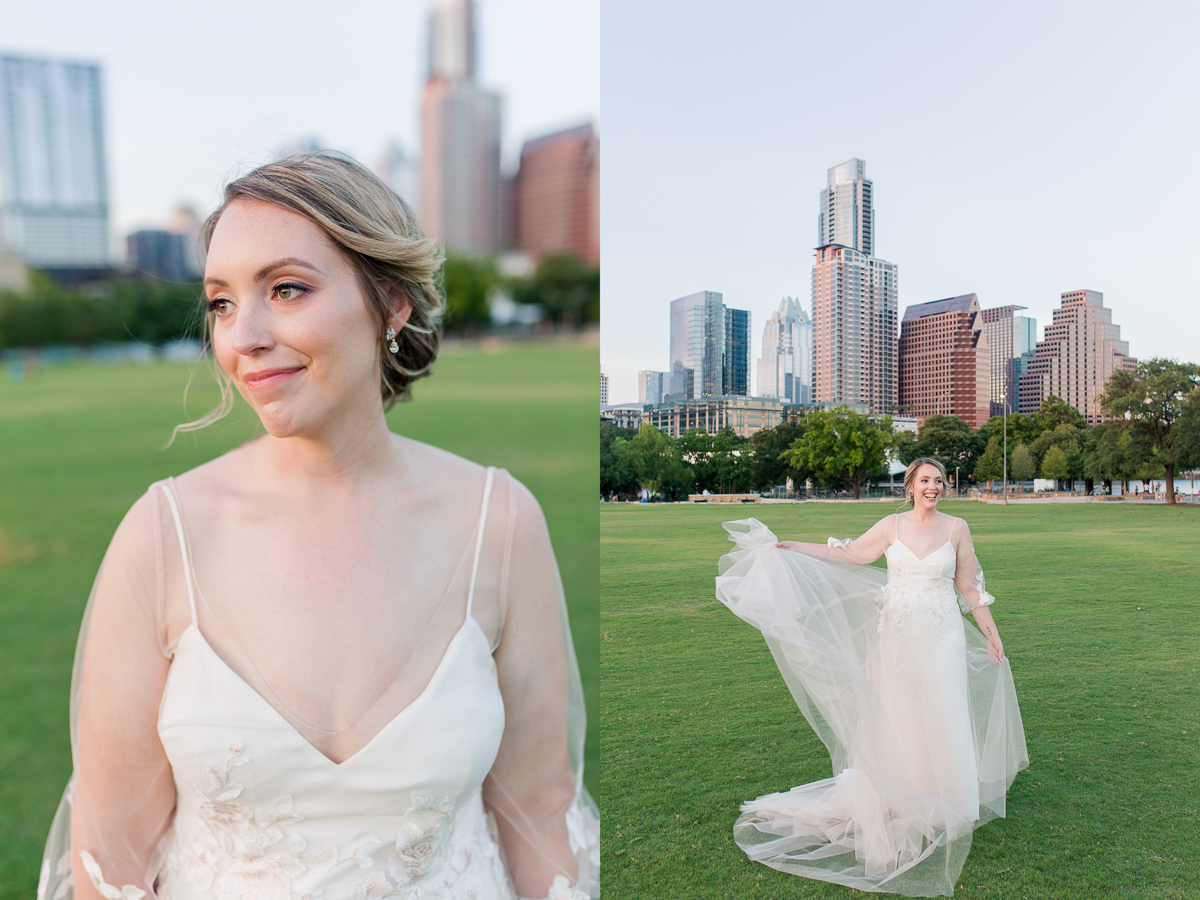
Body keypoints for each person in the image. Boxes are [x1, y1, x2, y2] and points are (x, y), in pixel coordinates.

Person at [38, 153, 598, 900]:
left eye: (287, 289)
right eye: (222, 304)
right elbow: (109, 866)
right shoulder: (163, 535)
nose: (244, 338)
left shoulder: (498, 522)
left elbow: (541, 816)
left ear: (391, 302)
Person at [715, 458, 1027, 896]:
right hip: (897, 638)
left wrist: (992, 635)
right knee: (899, 714)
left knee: (944, 712)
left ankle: (949, 802)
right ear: (911, 486)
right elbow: (849, 555)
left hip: (942, 638)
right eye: (925, 481)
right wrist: (794, 547)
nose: (933, 487)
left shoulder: (957, 528)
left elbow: (969, 588)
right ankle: (900, 796)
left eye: (939, 481)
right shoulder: (890, 525)